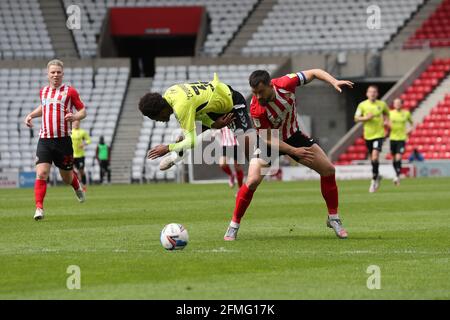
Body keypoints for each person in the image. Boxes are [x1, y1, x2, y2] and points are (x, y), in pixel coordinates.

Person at [223, 69, 354, 241]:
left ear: (271, 85)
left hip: (293, 136)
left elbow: (314, 72)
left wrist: (333, 81)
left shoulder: (286, 83)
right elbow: (267, 137)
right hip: (268, 141)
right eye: (254, 93)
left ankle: (333, 218)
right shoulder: (256, 109)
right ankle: (233, 226)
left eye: (261, 92)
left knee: (328, 170)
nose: (258, 96)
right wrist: (292, 151)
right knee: (253, 180)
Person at [138, 73, 254, 163]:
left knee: (247, 143)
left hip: (231, 101)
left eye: (156, 118)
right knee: (183, 137)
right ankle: (176, 157)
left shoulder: (181, 107)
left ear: (160, 111)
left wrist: (167, 148)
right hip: (213, 105)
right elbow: (198, 107)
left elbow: (192, 142)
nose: (158, 121)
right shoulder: (170, 92)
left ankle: (258, 166)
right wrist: (212, 124)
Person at [24, 59, 86, 221]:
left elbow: (82, 111)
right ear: (48, 74)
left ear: (62, 73)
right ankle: (39, 208)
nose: (55, 75)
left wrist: (74, 116)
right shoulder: (43, 92)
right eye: (53, 72)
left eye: (58, 72)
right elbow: (44, 107)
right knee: (42, 173)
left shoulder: (70, 91)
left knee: (66, 177)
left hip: (63, 141)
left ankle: (76, 185)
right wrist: (31, 115)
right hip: (44, 140)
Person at [354, 85, 389, 193]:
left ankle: (373, 181)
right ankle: (377, 175)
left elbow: (387, 114)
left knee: (374, 156)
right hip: (368, 135)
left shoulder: (382, 104)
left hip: (379, 135)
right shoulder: (362, 105)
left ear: (377, 94)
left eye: (374, 92)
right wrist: (366, 118)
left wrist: (386, 121)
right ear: (367, 93)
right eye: (370, 92)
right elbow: (356, 118)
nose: (372, 93)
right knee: (373, 158)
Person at [388, 98, 413, 185]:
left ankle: (397, 176)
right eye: (396, 103)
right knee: (394, 158)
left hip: (402, 138)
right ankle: (396, 174)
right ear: (394, 104)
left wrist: (409, 130)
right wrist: (387, 124)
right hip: (392, 138)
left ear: (402, 104)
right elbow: (387, 123)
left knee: (398, 157)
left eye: (399, 103)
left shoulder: (406, 113)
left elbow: (411, 123)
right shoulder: (390, 113)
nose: (397, 104)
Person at [71, 119, 91, 190]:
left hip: (80, 155)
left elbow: (89, 140)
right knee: (71, 170)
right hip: (72, 155)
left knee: (81, 171)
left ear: (79, 123)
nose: (76, 124)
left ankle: (84, 185)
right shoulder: (70, 132)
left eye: (77, 123)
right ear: (73, 123)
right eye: (75, 123)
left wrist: (84, 144)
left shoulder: (82, 132)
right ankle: (77, 184)